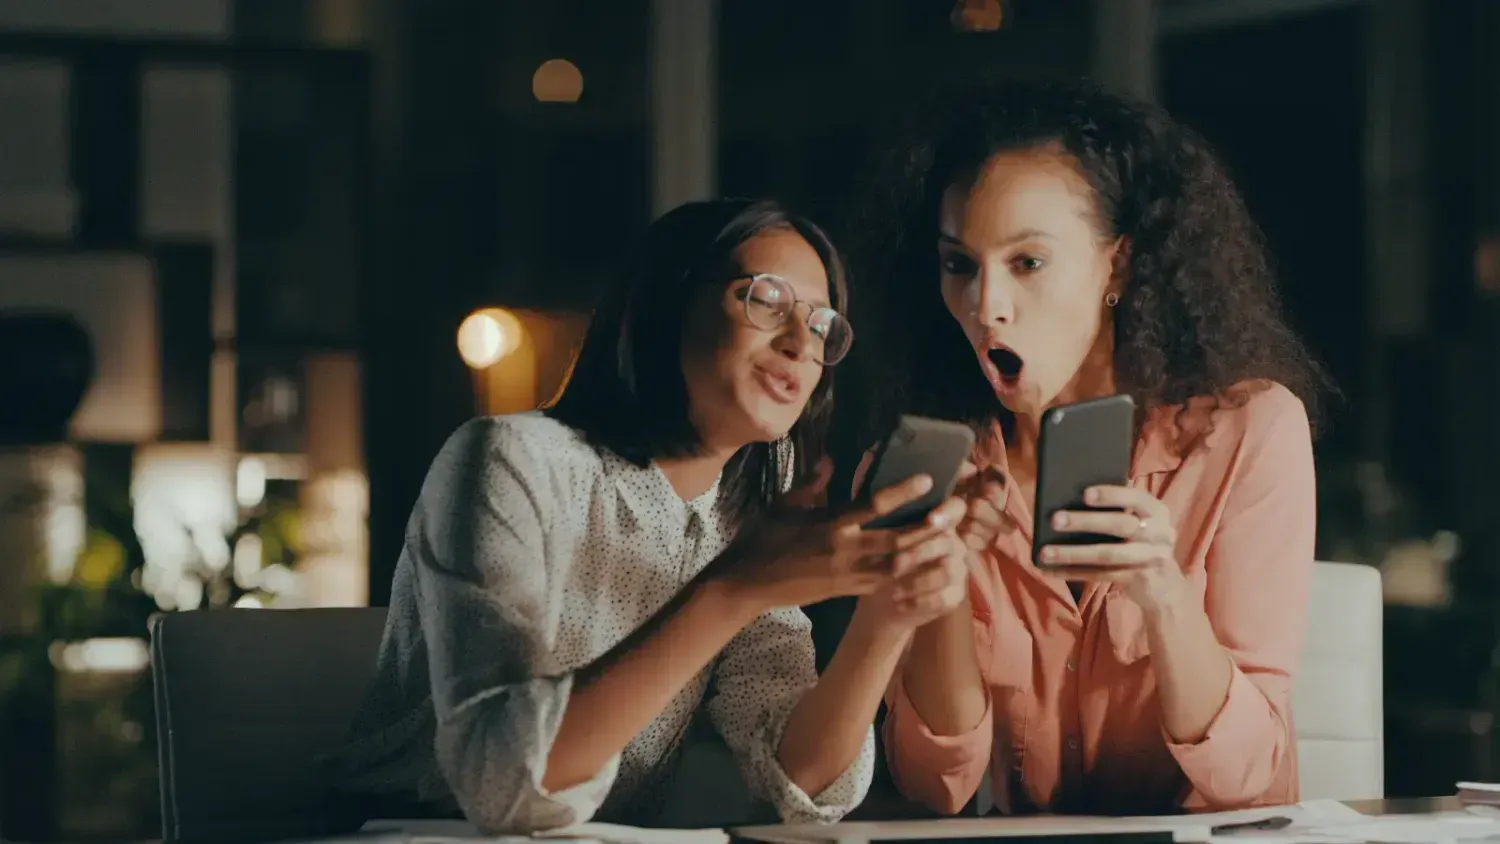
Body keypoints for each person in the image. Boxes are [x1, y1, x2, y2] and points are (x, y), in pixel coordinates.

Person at [329, 199, 973, 833]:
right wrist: (734, 589)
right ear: (667, 303)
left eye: (822, 322)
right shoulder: (510, 459)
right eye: (768, 300)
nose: (802, 341)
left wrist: (886, 617)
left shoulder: (745, 505)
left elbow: (801, 778)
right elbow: (501, 784)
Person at [847, 81, 1332, 815]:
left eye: (1028, 262)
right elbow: (935, 785)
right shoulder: (929, 473)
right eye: (959, 265)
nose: (987, 306)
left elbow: (1251, 780)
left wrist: (1164, 596)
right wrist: (939, 590)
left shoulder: (1249, 433)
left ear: (1120, 265)